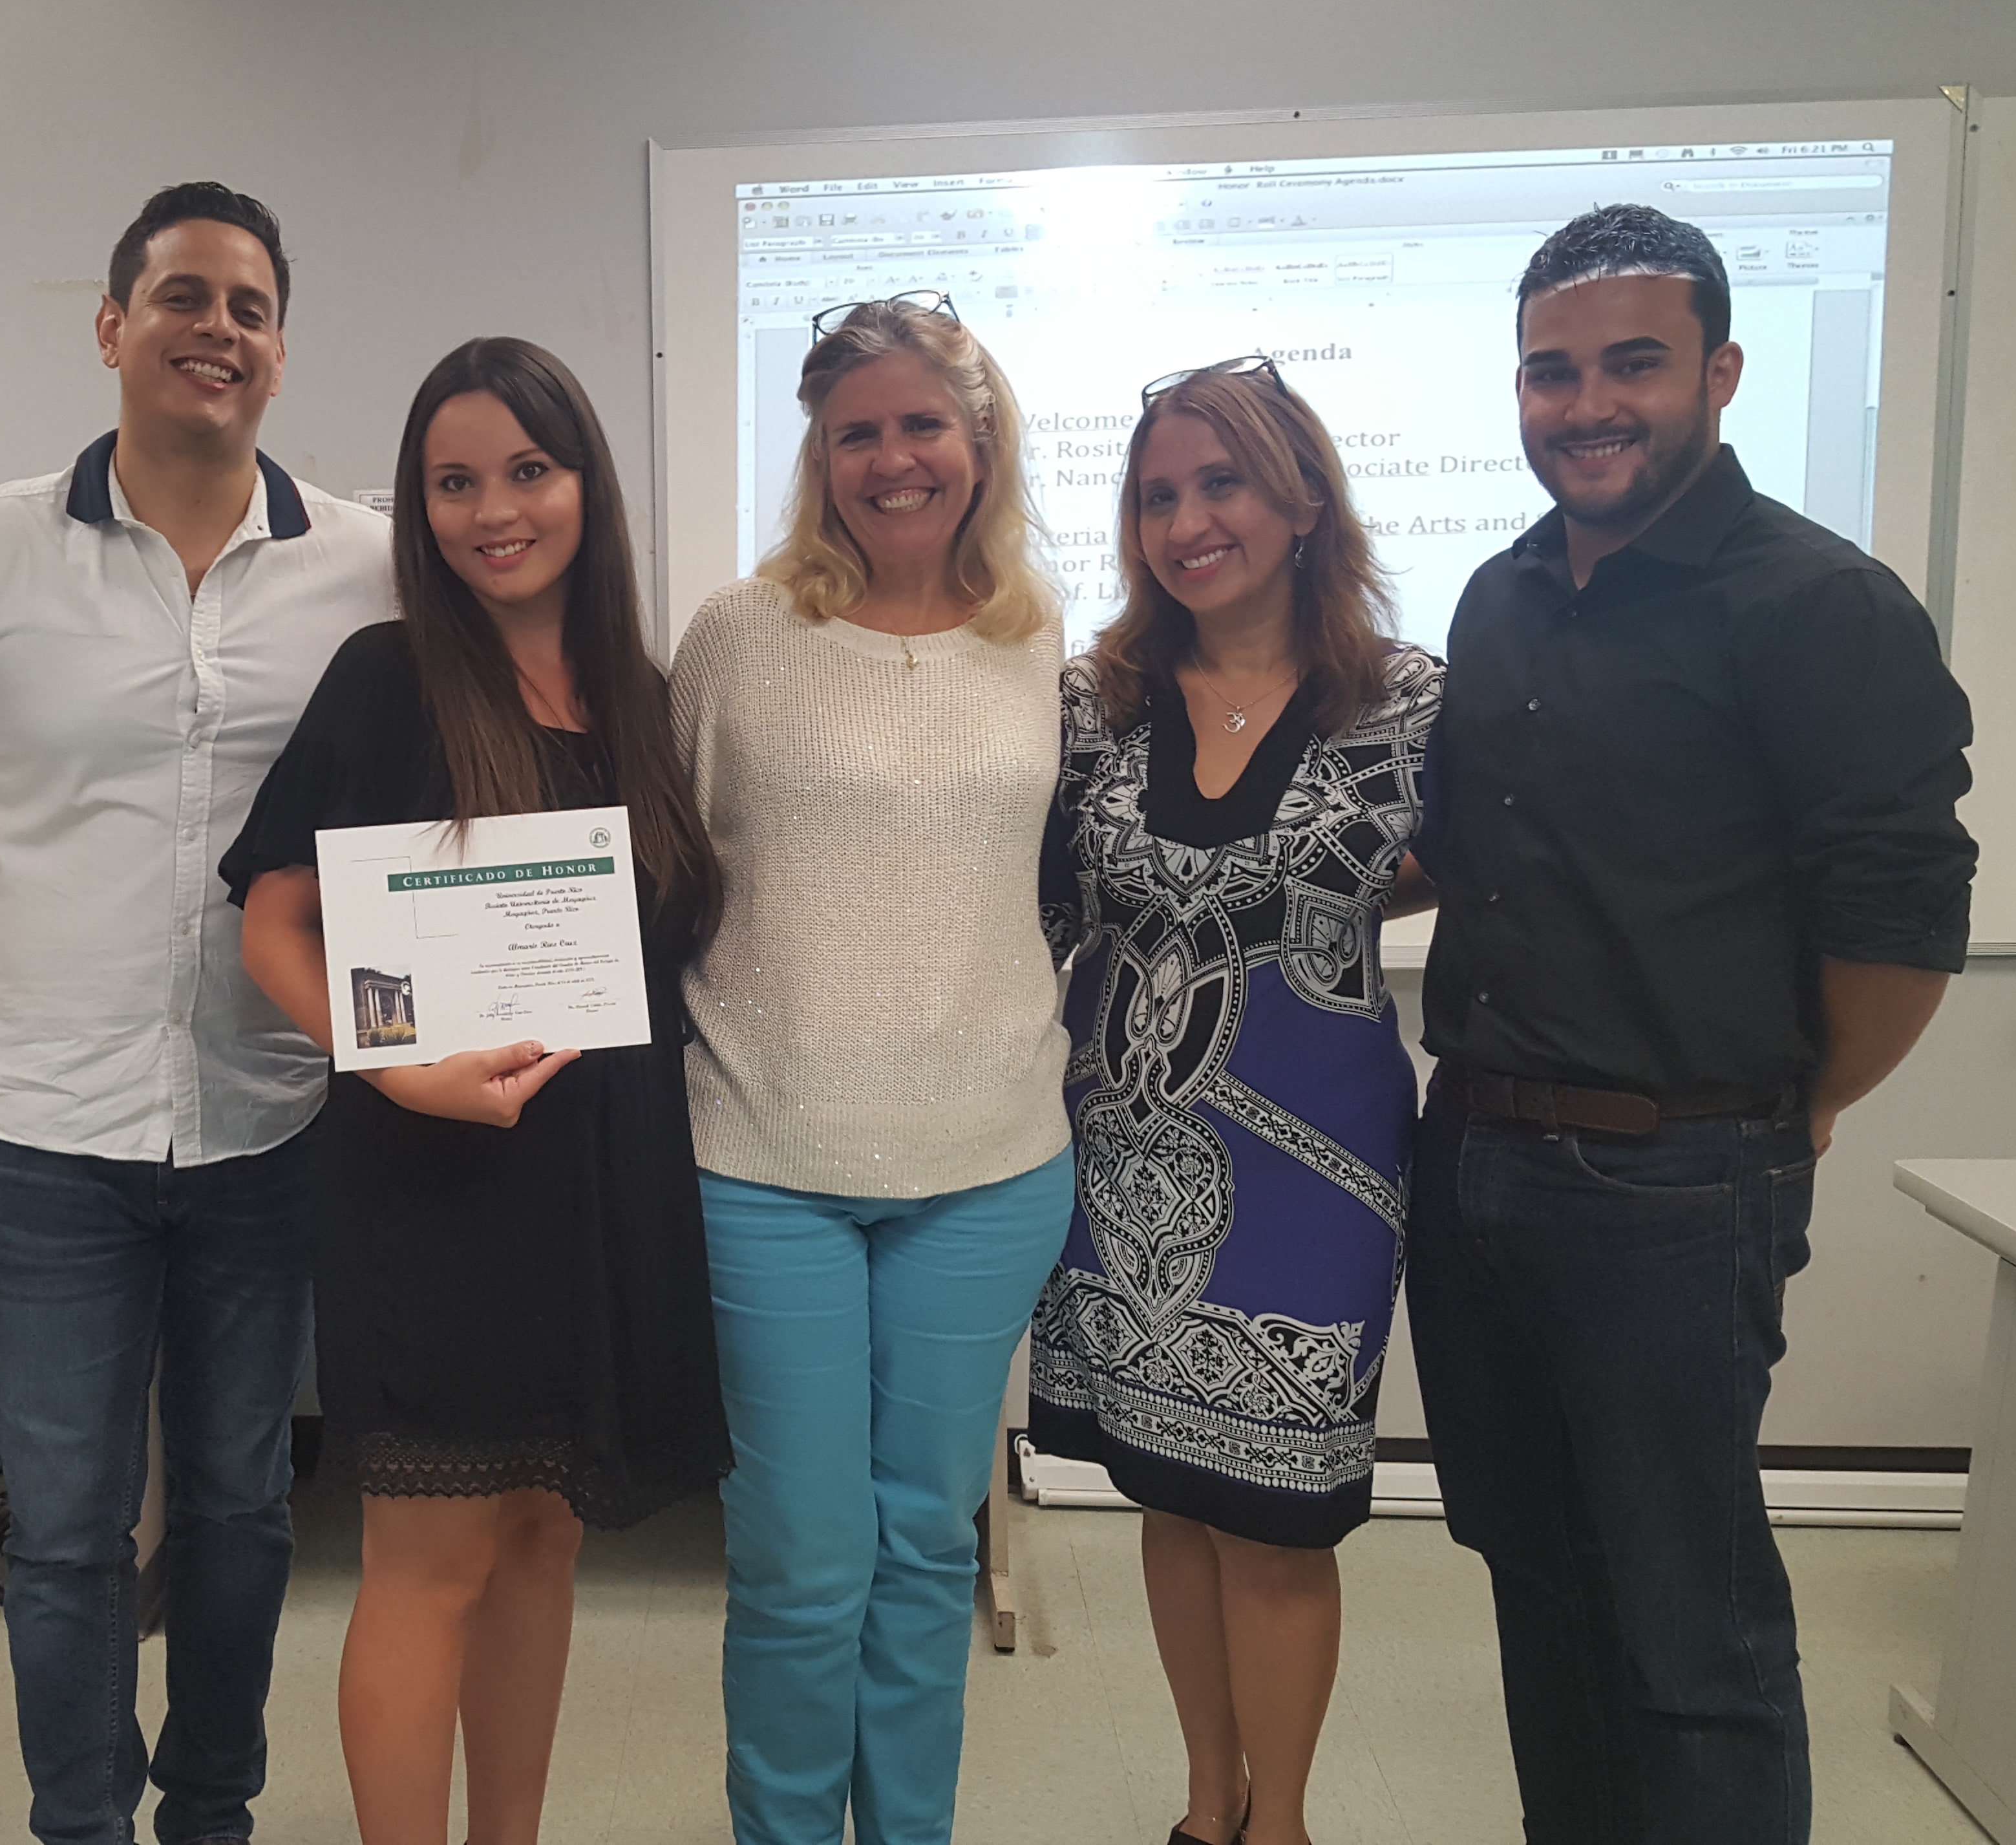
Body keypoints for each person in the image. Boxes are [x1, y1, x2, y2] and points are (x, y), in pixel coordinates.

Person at [1408, 204, 1976, 1845]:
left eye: (1631, 365)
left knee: (1689, 1621)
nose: (1585, 404)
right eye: (1549, 372)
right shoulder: (1500, 594)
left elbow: (1898, 918)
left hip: (1674, 1181)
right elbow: (1465, 846)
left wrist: (1783, 1113)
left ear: (1721, 372)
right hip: (1479, 1161)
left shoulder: (1816, 605)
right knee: (1537, 1583)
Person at [0, 180, 396, 1845]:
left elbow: (416, 827)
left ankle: (211, 1814)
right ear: (111, 329)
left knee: (244, 1508)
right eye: (181, 296)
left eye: (247, 306)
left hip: (269, 1119)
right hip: (42, 1131)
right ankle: (80, 1823)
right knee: (69, 1527)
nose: (214, 329)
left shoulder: (368, 565)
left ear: (280, 350)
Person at [225, 337, 732, 1845]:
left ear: (588, 485)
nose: (490, 510)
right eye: (452, 482)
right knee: (427, 1565)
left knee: (540, 1547)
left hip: (602, 1178)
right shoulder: (388, 679)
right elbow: (271, 927)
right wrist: (398, 1070)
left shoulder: (640, 697)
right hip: (430, 1181)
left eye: (528, 470)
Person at [668, 292, 1072, 1845]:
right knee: (797, 1553)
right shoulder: (738, 637)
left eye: (923, 425)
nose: (892, 459)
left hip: (988, 1166)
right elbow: (670, 870)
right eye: (858, 433)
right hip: (766, 1156)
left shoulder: (1046, 648)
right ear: (818, 453)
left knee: (925, 1547)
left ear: (980, 442)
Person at [1028, 360, 1443, 1845]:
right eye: (1158, 494)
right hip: (1117, 1157)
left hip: (1317, 1173)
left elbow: (1504, 870)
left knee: (1275, 1516)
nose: (1189, 520)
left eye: (1224, 484)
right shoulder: (1092, 705)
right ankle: (1207, 1811)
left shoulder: (1411, 707)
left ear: (1304, 501)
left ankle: (1285, 1827)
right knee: (1173, 1493)